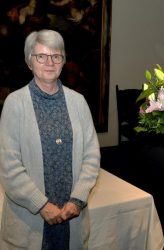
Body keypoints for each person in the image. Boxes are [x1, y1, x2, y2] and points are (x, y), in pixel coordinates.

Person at [0, 29, 101, 249]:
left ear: (63, 62)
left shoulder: (79, 102)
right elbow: (9, 167)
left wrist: (78, 199)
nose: (49, 62)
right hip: (29, 223)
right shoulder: (14, 104)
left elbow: (91, 156)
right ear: (29, 62)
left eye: (56, 56)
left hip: (71, 218)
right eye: (41, 56)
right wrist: (42, 205)